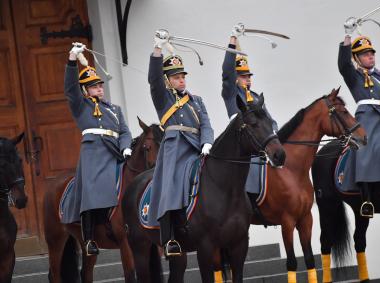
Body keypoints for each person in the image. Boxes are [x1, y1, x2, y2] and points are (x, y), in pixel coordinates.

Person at [148, 31, 214, 256]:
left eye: (183, 76)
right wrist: (157, 49)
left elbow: (206, 124)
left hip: (197, 146)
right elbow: (153, 79)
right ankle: (169, 238)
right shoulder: (163, 97)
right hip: (175, 148)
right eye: (176, 77)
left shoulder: (197, 101)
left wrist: (207, 142)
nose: (181, 79)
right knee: (171, 184)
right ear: (168, 80)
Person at [63, 43, 132, 255]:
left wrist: (127, 147)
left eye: (100, 85)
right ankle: (90, 237)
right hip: (93, 154)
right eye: (94, 86)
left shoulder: (115, 110)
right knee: (93, 188)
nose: (99, 89)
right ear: (85, 90)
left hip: (114, 152)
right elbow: (70, 88)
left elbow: (125, 132)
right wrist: (72, 60)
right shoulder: (80, 105)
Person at [339, 24, 380, 218]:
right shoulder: (354, 76)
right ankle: (366, 197)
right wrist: (347, 37)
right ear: (357, 58)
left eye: (371, 53)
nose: (370, 56)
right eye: (365, 54)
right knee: (366, 147)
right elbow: (343, 65)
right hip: (367, 118)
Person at [221, 24, 278, 196]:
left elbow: (269, 120)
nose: (247, 79)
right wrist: (232, 42)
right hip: (238, 139)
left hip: (258, 140)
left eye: (248, 76)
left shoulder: (256, 97)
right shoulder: (231, 92)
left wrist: (274, 132)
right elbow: (226, 71)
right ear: (236, 77)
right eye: (243, 76)